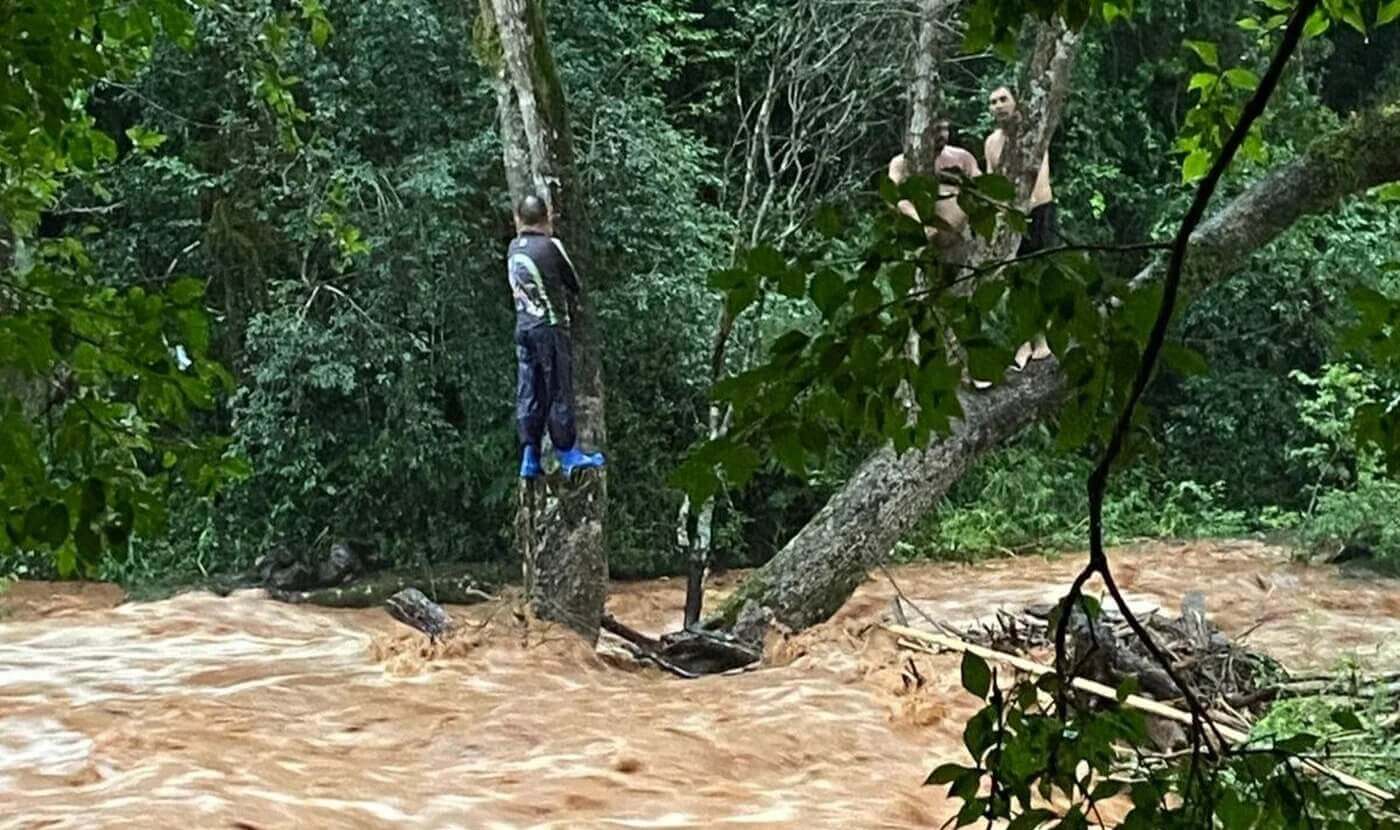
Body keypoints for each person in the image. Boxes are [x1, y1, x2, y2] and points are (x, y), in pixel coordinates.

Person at [506, 193, 605, 478]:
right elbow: (573, 283)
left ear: (518, 219)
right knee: (558, 389)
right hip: (549, 328)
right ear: (546, 217)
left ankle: (529, 455)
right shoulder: (551, 246)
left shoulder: (513, 248)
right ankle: (568, 454)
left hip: (523, 328)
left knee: (529, 389)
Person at [984, 86, 1055, 367]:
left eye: (1003, 99)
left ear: (1016, 103)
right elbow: (991, 182)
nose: (998, 105)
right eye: (993, 102)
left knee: (1036, 278)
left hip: (1038, 211)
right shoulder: (991, 143)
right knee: (1014, 281)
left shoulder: (1033, 135)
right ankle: (1024, 342)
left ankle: (1042, 340)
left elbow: (1040, 176)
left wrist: (1025, 207)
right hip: (1008, 217)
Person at [887, 116, 981, 253]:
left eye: (945, 129)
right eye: (936, 129)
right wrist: (919, 222)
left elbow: (982, 189)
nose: (942, 134)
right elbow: (892, 198)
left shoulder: (962, 158)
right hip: (922, 243)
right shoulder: (902, 163)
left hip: (961, 240)